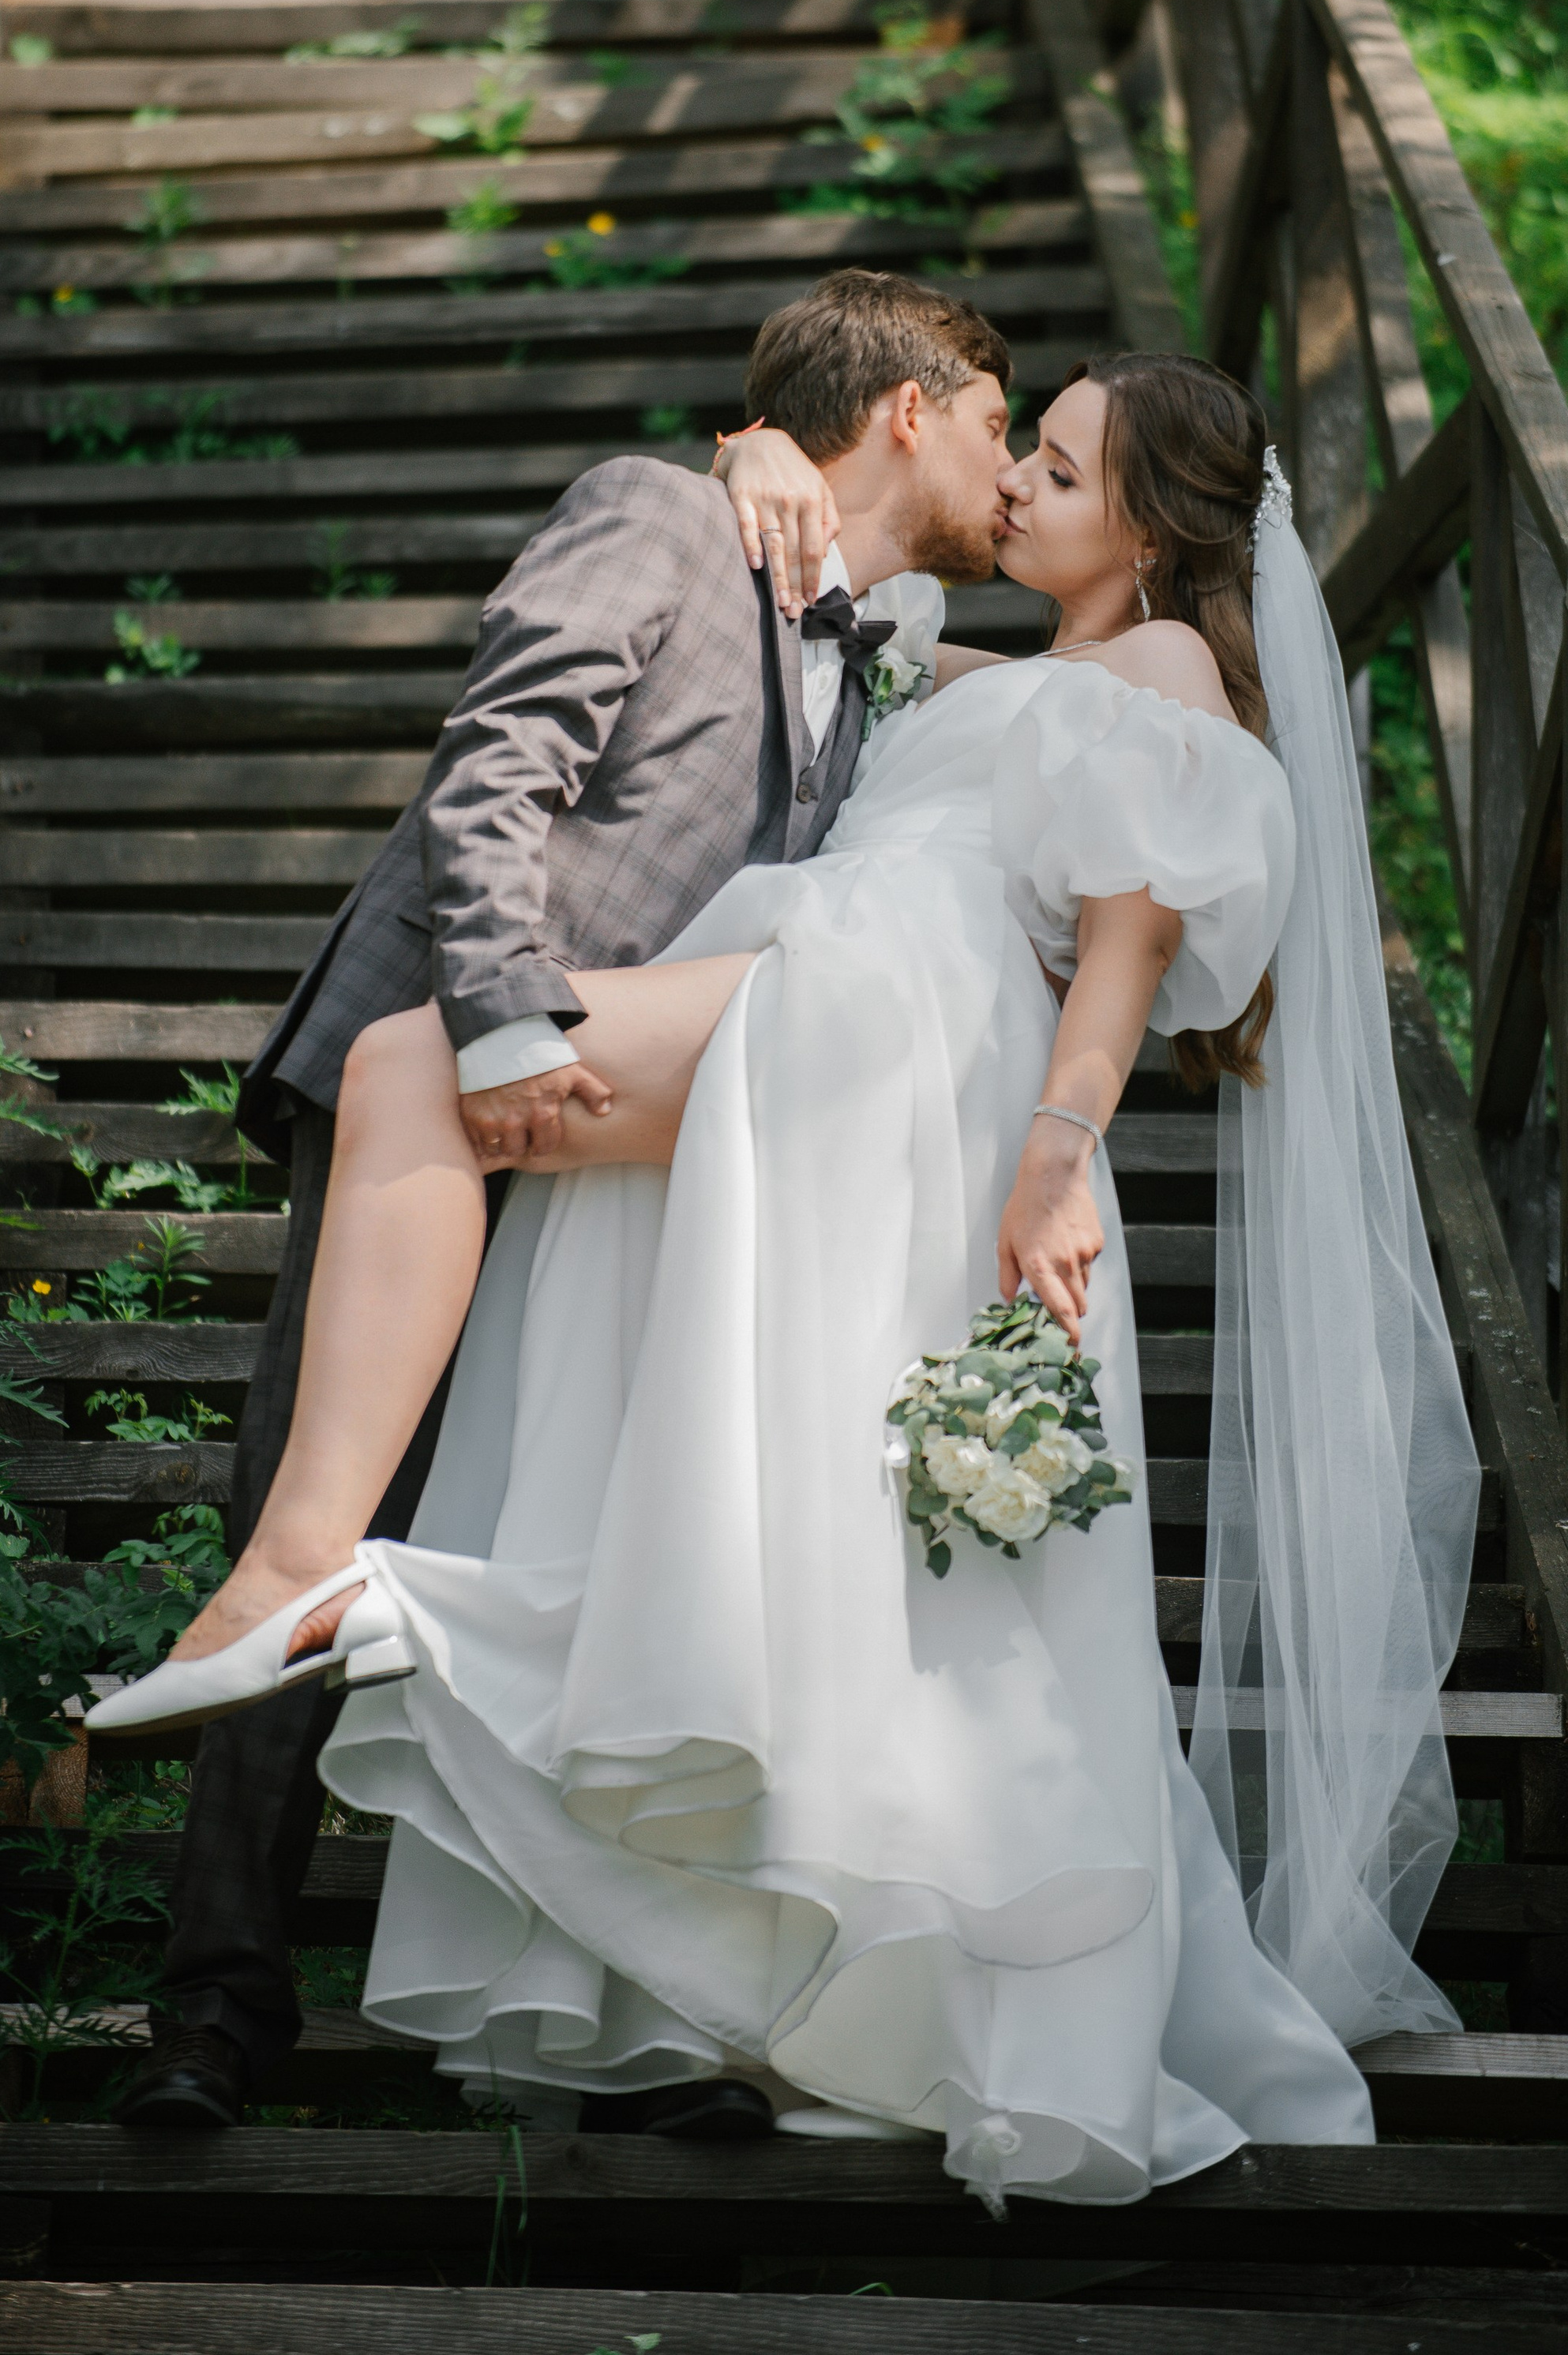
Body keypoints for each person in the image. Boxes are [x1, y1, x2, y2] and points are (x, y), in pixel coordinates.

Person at [95, 349, 1481, 2204]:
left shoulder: (1156, 678)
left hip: (887, 1021)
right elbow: (834, 596)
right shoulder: (985, 660)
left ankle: (307, 1567)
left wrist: (1060, 1153)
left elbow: (1124, 957)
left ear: (1147, 529)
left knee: (423, 1065)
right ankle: (552, 1873)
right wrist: (751, 448)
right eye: (1020, 445)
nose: (1022, 491)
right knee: (701, 1460)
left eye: (1059, 471)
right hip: (829, 1000)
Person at [110, 268, 1011, 2132]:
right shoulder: (665, 511)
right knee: (323, 1509)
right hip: (453, 1087)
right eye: (1002, 419)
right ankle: (214, 2005)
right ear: (909, 410)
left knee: (605, 1553)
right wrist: (506, 1023)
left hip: (655, 1149)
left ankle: (620, 1997)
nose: (1013, 463)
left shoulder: (878, 644)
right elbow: (495, 768)